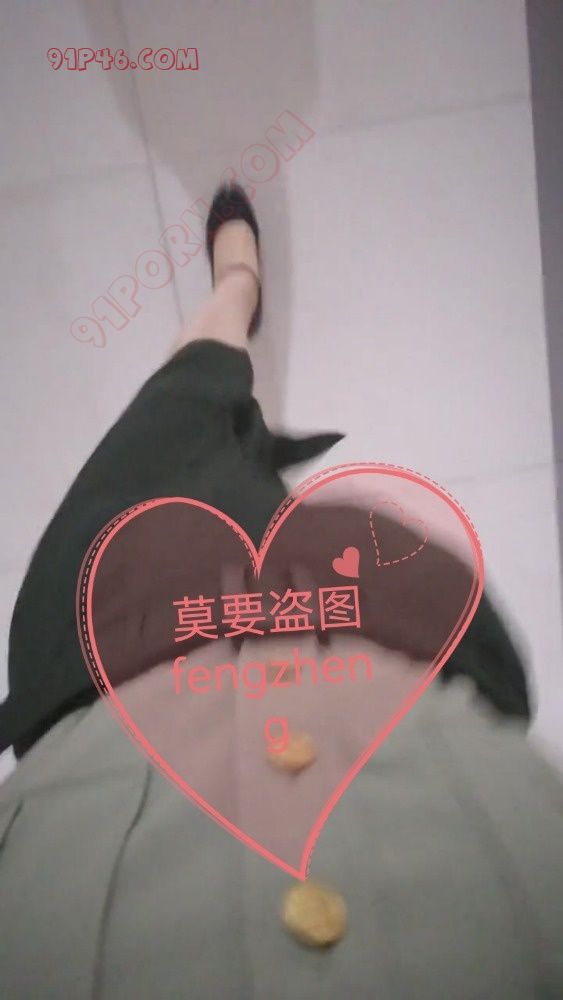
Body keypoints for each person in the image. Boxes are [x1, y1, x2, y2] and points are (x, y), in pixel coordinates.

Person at [1, 184, 563, 999]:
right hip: (403, 633)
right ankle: (236, 316)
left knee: (174, 413)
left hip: (120, 635)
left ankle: (234, 296)